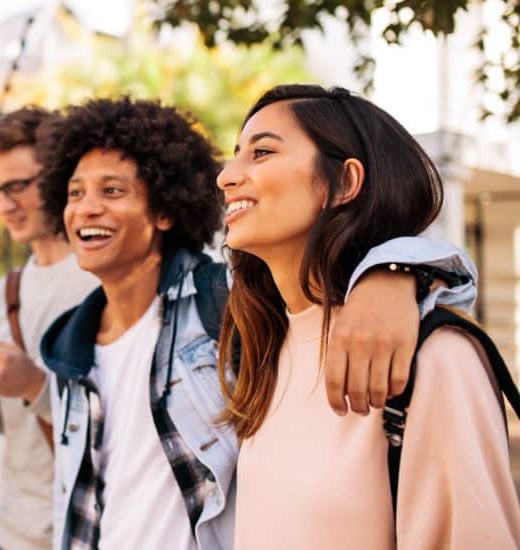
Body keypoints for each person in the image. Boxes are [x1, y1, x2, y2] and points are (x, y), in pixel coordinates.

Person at [36, 97, 477, 549]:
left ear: (165, 209)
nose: (86, 208)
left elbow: (430, 262)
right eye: (74, 193)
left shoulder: (223, 307)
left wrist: (393, 273)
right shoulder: (66, 347)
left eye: (112, 191)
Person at [216, 84, 520, 549]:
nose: (226, 176)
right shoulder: (261, 349)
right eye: (236, 154)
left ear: (344, 183)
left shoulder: (433, 356)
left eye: (261, 152)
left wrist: (401, 270)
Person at [0, 106, 100, 550]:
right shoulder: (7, 290)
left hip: (84, 531)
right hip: (13, 530)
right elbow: (13, 423)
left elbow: (129, 424)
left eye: (17, 186)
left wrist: (34, 383)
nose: (4, 205)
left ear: (58, 175)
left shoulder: (105, 277)